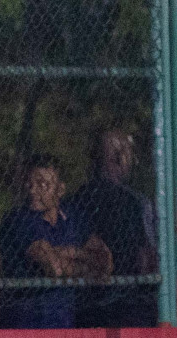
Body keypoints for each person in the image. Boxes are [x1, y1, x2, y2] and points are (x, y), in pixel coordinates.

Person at [0, 154, 113, 329]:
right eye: (29, 183)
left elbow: (104, 260)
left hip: (63, 325)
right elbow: (54, 267)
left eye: (42, 185)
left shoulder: (73, 218)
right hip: (25, 325)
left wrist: (66, 253)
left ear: (60, 190)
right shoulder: (18, 219)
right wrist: (84, 262)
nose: (33, 191)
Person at [68, 129, 160, 326]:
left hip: (88, 301)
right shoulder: (135, 203)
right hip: (129, 301)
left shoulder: (77, 199)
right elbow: (146, 257)